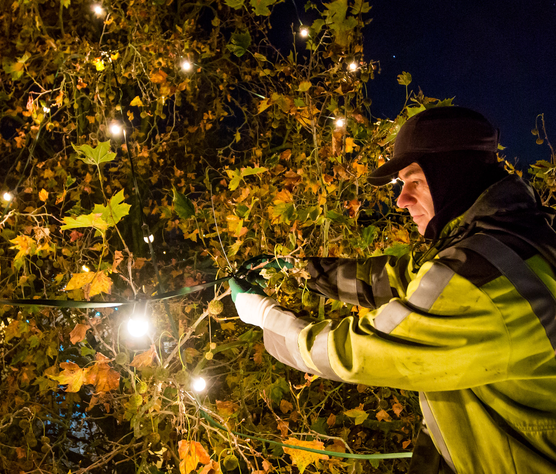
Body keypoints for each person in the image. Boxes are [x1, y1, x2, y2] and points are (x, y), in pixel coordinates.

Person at [229, 106, 556, 474]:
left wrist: (264, 316)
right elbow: (392, 278)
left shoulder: (481, 280)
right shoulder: (509, 238)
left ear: (453, 174)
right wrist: (301, 269)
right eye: (402, 185)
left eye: (415, 181)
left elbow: (358, 352)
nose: (401, 201)